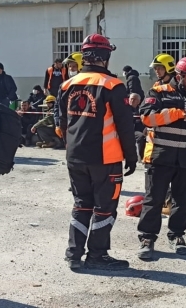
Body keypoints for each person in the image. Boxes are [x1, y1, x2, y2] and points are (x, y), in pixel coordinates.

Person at [57, 34, 137, 271]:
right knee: (104, 209)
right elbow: (125, 127)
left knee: (81, 205)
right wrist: (131, 157)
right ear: (106, 57)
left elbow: (62, 123)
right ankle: (97, 255)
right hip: (106, 159)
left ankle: (73, 254)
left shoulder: (67, 84)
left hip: (75, 157)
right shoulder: (114, 85)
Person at [137, 57, 186, 259]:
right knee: (154, 200)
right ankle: (147, 238)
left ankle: (177, 235)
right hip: (160, 157)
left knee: (183, 201)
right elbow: (147, 118)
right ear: (179, 77)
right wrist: (178, 113)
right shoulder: (159, 92)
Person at [128, 93, 145, 161]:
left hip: (138, 130)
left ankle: (144, 157)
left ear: (138, 101)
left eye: (134, 99)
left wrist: (146, 128)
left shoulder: (141, 110)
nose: (132, 100)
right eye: (131, 98)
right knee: (140, 136)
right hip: (128, 131)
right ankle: (141, 157)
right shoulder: (125, 109)